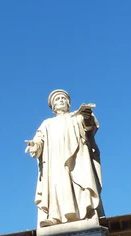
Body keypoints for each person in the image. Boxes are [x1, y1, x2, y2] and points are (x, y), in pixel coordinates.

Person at [25, 89, 102, 227]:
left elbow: (89, 128)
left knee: (78, 183)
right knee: (57, 186)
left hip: (77, 158)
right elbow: (39, 140)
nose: (60, 100)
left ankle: (81, 213)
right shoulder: (47, 123)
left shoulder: (76, 117)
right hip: (55, 161)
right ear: (53, 106)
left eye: (63, 98)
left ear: (68, 103)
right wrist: (34, 146)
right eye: (57, 99)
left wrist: (87, 116)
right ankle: (56, 216)